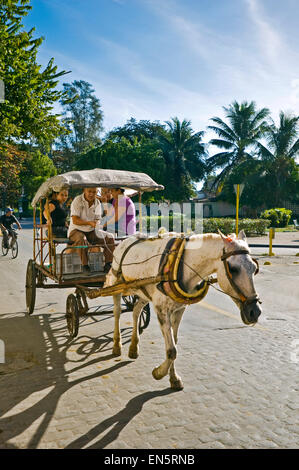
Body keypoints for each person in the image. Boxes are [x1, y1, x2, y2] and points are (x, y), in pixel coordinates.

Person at [68, 187, 115, 273]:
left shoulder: (97, 202)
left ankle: (108, 264)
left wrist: (97, 223)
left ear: (97, 192)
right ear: (84, 191)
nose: (91, 194)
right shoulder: (77, 200)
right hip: (76, 230)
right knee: (82, 238)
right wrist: (89, 223)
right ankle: (85, 266)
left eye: (94, 192)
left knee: (110, 237)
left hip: (91, 231)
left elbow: (98, 218)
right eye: (89, 191)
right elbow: (75, 220)